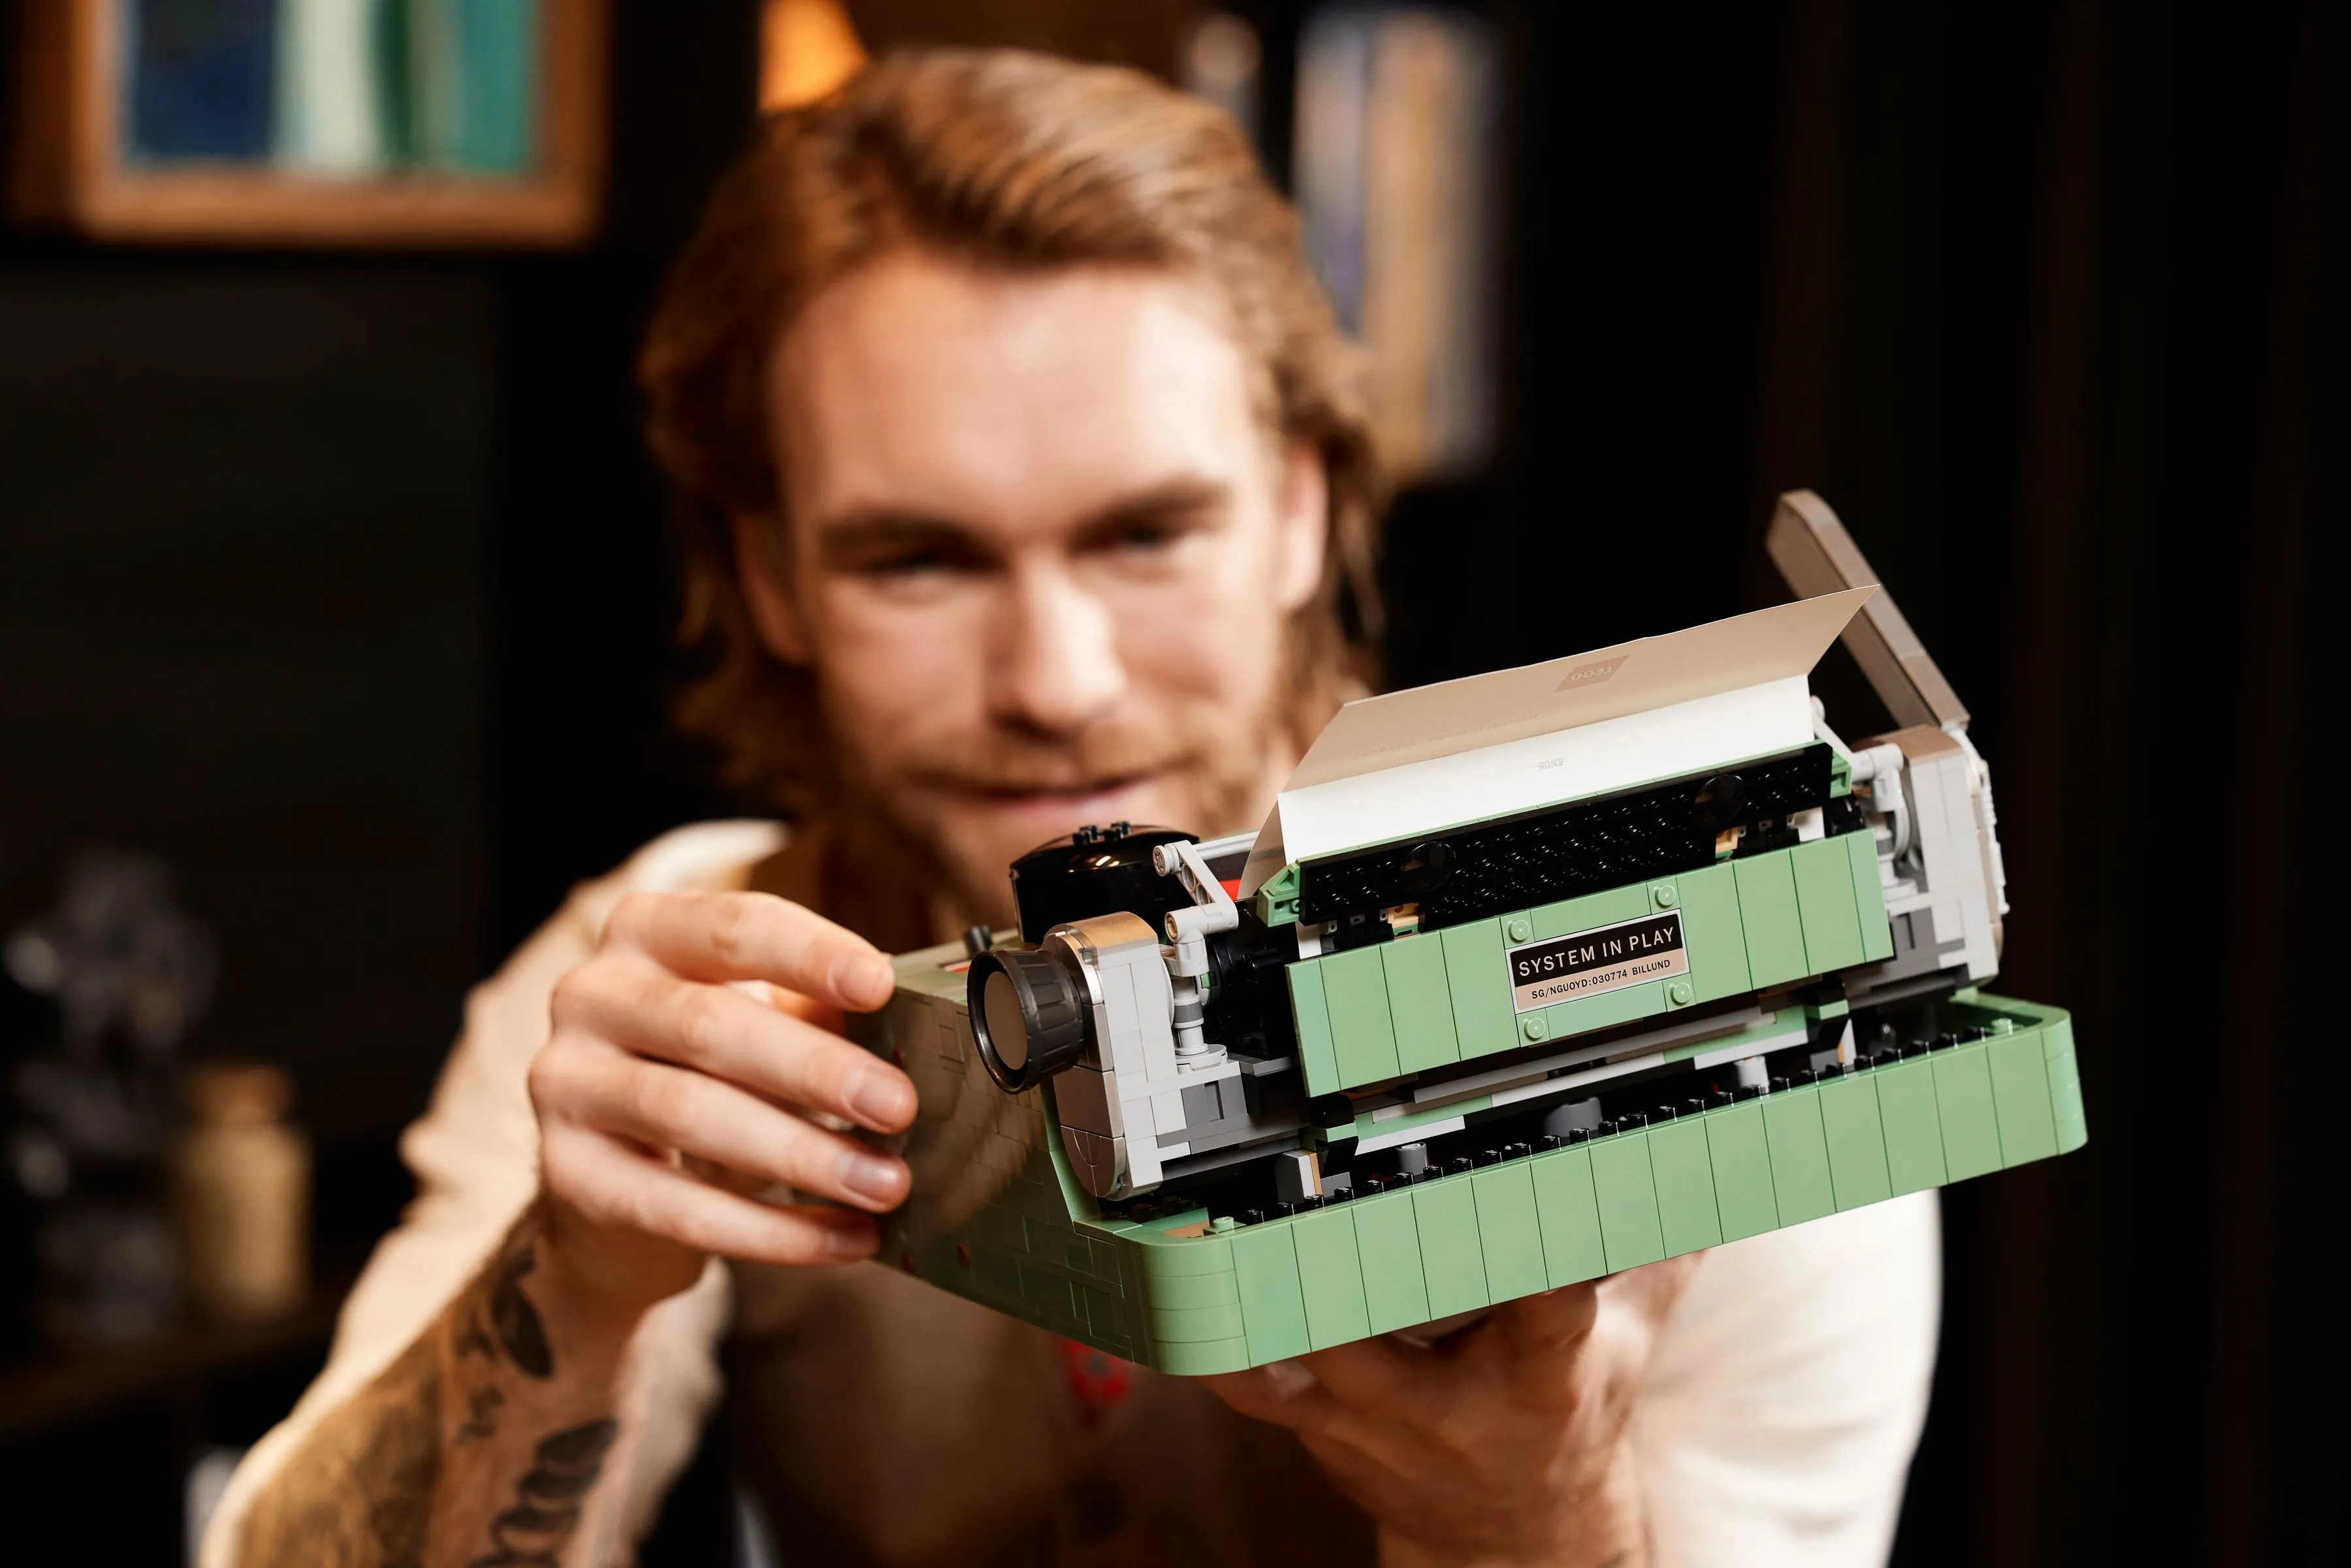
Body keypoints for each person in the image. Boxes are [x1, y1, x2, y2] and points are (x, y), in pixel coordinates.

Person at [205, 49, 1938, 1568]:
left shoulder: (1720, 973)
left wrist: (1522, 1513)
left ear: (1301, 509)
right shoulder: (688, 981)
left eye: (1145, 533)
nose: (1055, 680)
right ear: (771, 574)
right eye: (918, 559)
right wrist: (574, 1284)